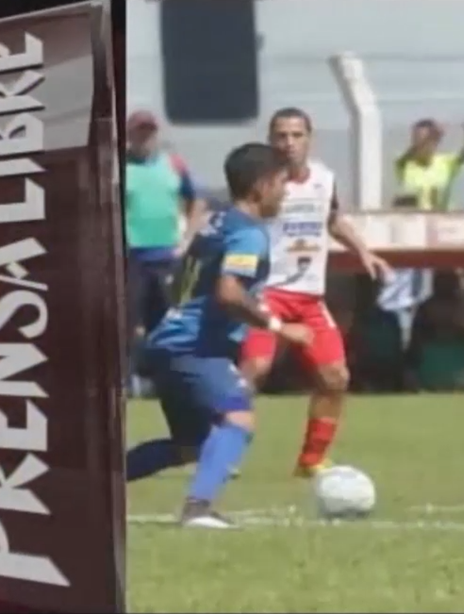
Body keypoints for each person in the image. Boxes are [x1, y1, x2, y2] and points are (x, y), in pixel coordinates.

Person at [128, 142, 313, 528]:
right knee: (237, 418)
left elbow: (180, 280)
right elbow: (229, 292)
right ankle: (198, 509)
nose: (285, 192)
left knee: (189, 445)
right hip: (194, 348)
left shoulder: (216, 222)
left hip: (169, 342)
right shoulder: (249, 234)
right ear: (261, 185)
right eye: (282, 182)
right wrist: (279, 327)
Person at [242, 107, 393, 478]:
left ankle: (311, 461)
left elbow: (332, 219)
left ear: (310, 139)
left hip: (309, 298)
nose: (289, 143)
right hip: (267, 292)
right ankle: (220, 450)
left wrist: (363, 251)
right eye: (281, 135)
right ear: (270, 140)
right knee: (254, 370)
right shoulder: (260, 183)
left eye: (297, 135)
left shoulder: (324, 178)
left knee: (335, 377)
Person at [124, 110, 208, 396]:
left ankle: (168, 381)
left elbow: (197, 200)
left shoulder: (173, 164)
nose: (144, 138)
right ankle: (126, 382)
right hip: (130, 257)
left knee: (166, 323)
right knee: (127, 322)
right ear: (129, 135)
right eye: (139, 132)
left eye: (149, 132)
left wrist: (187, 238)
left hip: (166, 258)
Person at [393, 119, 464, 211]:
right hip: (416, 218)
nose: (420, 143)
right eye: (415, 139)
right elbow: (411, 152)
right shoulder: (404, 163)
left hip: (443, 217)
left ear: (436, 142)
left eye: (428, 139)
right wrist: (429, 137)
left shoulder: (446, 162)